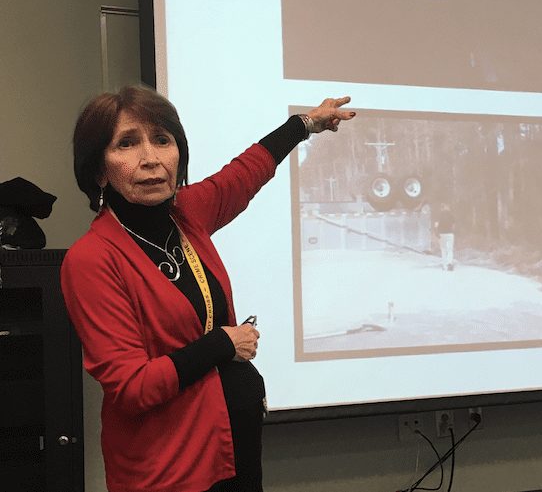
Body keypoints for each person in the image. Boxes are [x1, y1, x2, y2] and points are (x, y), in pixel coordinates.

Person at [60, 86, 355, 492]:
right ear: (99, 170)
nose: (150, 158)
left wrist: (305, 124)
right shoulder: (92, 259)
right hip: (169, 469)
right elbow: (131, 387)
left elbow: (245, 172)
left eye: (162, 140)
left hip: (232, 448)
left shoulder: (187, 213)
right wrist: (222, 343)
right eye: (127, 144)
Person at [434, 204, 456, 271]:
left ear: (442, 208)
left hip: (442, 234)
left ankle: (444, 265)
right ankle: (449, 263)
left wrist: (436, 232)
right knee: (450, 249)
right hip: (450, 234)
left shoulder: (439, 215)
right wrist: (452, 231)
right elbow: (453, 225)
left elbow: (436, 225)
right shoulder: (451, 215)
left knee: (443, 250)